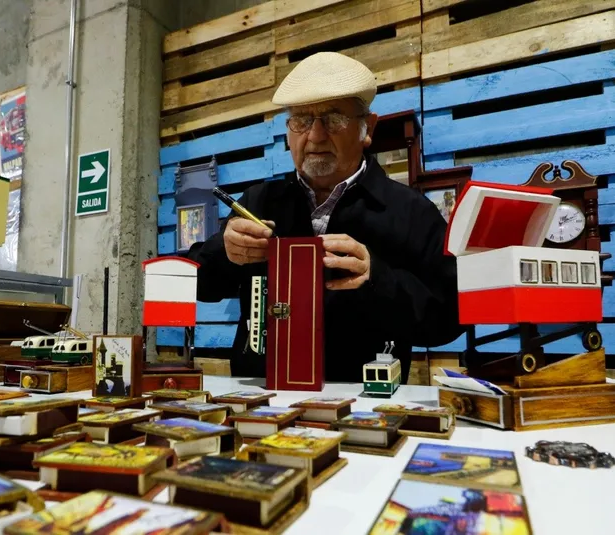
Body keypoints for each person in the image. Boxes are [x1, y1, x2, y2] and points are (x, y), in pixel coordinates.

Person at [187, 52, 464, 383]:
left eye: (333, 119)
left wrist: (378, 280)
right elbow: (198, 285)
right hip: (262, 396)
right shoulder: (259, 202)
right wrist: (226, 252)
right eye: (301, 120)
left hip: (364, 401)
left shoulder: (410, 211)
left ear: (367, 128)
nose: (316, 136)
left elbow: (450, 318)